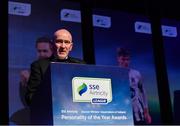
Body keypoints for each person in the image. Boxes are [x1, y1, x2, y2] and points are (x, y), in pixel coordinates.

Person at [25, 29, 85, 105]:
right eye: (59, 41)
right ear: (51, 45)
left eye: (67, 42)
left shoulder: (81, 65)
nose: (63, 46)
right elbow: (30, 97)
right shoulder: (39, 65)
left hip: (77, 113)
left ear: (71, 47)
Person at [117, 47, 152, 125]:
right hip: (121, 110)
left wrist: (146, 112)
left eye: (127, 59)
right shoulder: (114, 74)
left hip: (137, 110)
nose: (126, 62)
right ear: (118, 59)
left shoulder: (136, 74)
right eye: (123, 59)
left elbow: (143, 92)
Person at [19, 36, 54, 106]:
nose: (41, 54)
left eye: (45, 51)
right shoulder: (33, 70)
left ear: (52, 51)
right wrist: (24, 84)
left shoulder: (58, 69)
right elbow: (26, 104)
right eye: (39, 51)